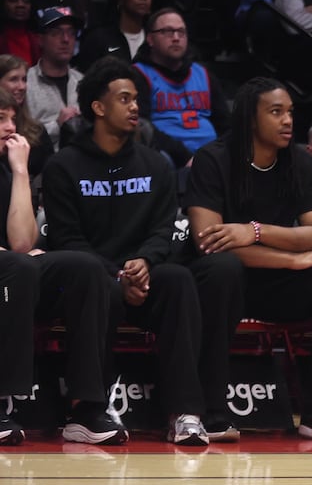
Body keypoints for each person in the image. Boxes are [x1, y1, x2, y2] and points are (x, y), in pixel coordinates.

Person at [42, 58, 212, 445]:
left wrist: (146, 262)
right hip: (91, 281)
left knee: (179, 279)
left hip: (143, 276)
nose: (135, 107)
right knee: (92, 280)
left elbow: (164, 228)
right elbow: (66, 240)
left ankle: (185, 413)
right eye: (124, 99)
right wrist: (117, 275)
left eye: (136, 99)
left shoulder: (156, 165)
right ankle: (86, 411)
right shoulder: (63, 166)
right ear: (98, 107)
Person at [185, 78, 312, 441]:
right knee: (222, 269)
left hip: (272, 279)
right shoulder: (213, 159)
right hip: (222, 280)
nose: (287, 121)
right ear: (251, 118)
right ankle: (211, 411)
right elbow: (208, 242)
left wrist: (255, 231)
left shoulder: (298, 160)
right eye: (276, 112)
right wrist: (291, 260)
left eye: (291, 112)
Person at [0, 88, 127, 446]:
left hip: (13, 269)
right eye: (1, 119)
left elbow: (22, 242)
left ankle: (86, 406)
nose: (10, 127)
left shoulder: (8, 168)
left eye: (13, 118)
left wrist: (20, 171)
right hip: (12, 271)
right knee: (18, 267)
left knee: (84, 267)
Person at [135, 8, 221, 158]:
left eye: (181, 32)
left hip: (211, 155)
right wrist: (185, 157)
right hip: (167, 156)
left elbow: (225, 125)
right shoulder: (138, 75)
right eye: (167, 32)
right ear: (150, 39)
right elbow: (141, 126)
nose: (176, 38)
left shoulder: (203, 74)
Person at [27, 6, 84, 141]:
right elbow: (20, 134)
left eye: (71, 33)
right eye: (56, 33)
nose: (66, 39)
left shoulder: (84, 81)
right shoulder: (25, 83)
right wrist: (57, 125)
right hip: (41, 154)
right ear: (41, 40)